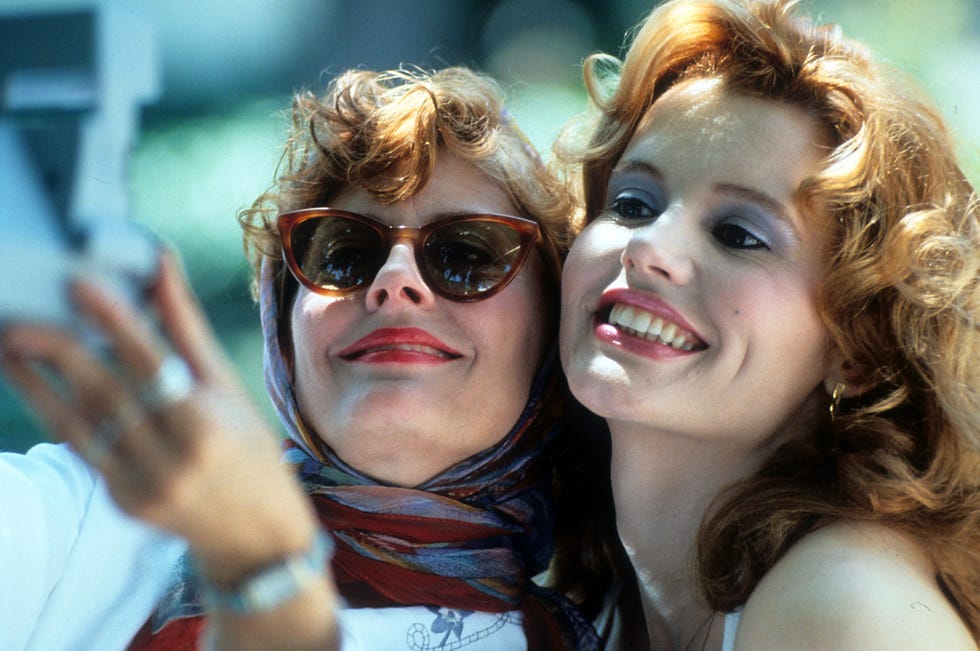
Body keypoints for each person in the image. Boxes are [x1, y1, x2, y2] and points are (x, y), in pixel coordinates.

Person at [1, 67, 618, 650]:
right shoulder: (102, 511)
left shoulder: (613, 635)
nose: (394, 281)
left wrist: (263, 576)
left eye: (467, 254)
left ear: (551, 332)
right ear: (283, 329)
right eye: (345, 252)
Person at [557, 0, 980, 649]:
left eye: (737, 234)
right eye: (633, 202)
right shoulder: (602, 602)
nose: (648, 246)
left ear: (857, 351)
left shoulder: (844, 605)